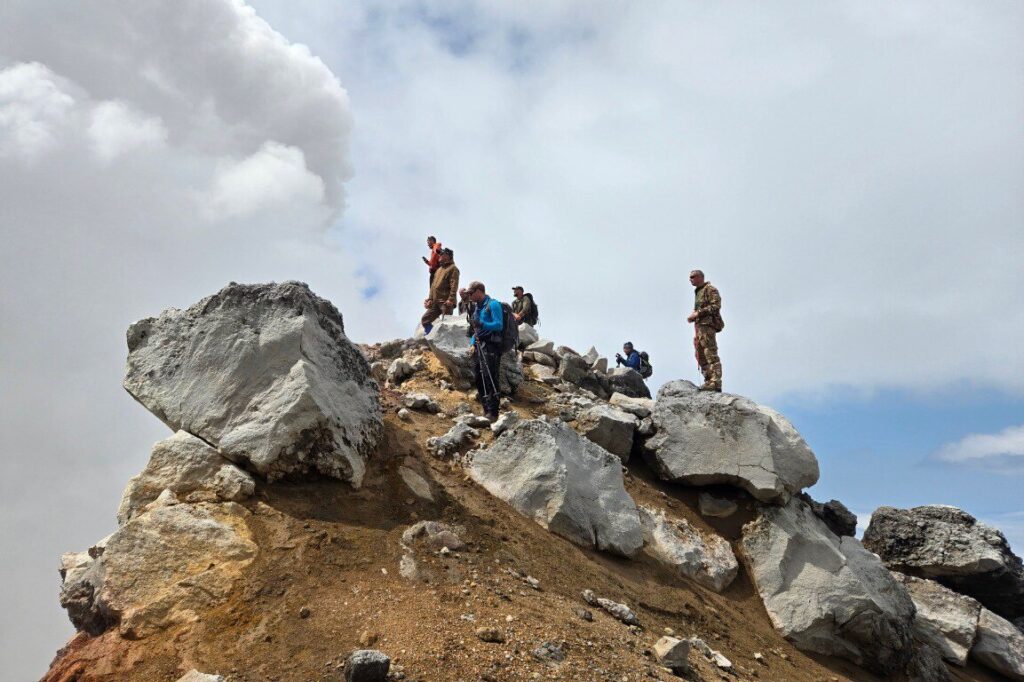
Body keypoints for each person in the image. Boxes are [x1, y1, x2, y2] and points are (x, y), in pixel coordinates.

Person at [467, 281, 503, 421]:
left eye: (471, 292)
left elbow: (499, 325)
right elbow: (474, 331)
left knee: (490, 377)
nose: (469, 296)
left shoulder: (493, 304)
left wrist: (482, 324)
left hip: (491, 345)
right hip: (479, 345)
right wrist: (472, 343)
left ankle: (493, 412)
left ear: (479, 291)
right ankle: (485, 410)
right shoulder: (477, 308)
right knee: (478, 377)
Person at [686, 269, 723, 391]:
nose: (690, 279)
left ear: (701, 277)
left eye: (693, 277)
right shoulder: (698, 292)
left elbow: (715, 306)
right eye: (690, 277)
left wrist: (698, 313)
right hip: (700, 327)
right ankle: (708, 380)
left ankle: (715, 382)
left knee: (710, 353)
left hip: (707, 326)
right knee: (700, 354)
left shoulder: (710, 289)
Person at [421, 248, 459, 336]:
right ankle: (433, 337)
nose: (440, 255)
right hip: (435, 302)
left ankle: (446, 343)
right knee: (425, 320)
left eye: (442, 254)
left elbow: (454, 285)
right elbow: (433, 286)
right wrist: (430, 299)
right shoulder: (438, 270)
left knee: (446, 324)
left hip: (445, 302)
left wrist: (451, 299)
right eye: (439, 254)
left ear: (448, 256)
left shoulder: (453, 268)